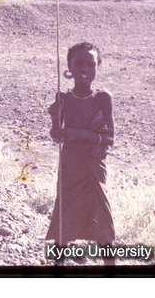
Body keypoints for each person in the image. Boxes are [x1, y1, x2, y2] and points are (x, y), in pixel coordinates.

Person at [46, 42, 115, 266]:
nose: (85, 69)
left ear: (97, 67)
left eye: (90, 64)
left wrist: (77, 133)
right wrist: (54, 119)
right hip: (70, 169)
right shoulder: (63, 97)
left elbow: (110, 138)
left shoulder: (103, 98)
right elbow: (57, 136)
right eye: (79, 63)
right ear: (70, 67)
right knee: (64, 225)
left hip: (94, 169)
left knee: (103, 227)